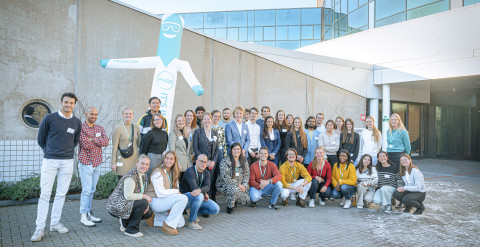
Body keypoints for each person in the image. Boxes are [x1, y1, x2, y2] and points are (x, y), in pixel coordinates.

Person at [31, 93, 82, 242]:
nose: (69, 105)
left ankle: (54, 223)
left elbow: (75, 141)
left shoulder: (77, 122)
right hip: (50, 160)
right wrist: (50, 151)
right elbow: (41, 139)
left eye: (71, 103)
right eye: (66, 102)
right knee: (45, 194)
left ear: (74, 105)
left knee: (61, 194)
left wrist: (67, 152)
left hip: (67, 161)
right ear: (61, 103)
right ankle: (39, 228)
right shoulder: (50, 118)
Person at [106, 154, 153, 238]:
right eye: (142, 163)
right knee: (143, 202)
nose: (144, 166)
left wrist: (145, 203)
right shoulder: (131, 177)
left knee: (148, 213)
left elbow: (139, 193)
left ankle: (125, 222)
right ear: (136, 163)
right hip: (117, 205)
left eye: (147, 164)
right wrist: (144, 197)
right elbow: (128, 196)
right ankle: (131, 230)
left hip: (127, 203)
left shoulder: (143, 175)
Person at [78, 106, 109, 227]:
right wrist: (97, 140)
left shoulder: (99, 128)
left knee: (92, 190)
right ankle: (83, 216)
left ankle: (89, 213)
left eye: (95, 114)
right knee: (86, 191)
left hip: (97, 163)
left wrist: (93, 139)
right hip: (86, 163)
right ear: (86, 114)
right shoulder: (80, 127)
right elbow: (86, 144)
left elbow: (105, 142)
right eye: (91, 114)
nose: (94, 116)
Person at [145, 151, 188, 235]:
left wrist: (172, 206)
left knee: (180, 223)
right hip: (155, 201)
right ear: (163, 159)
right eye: (167, 158)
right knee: (183, 198)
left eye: (171, 159)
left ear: (175, 161)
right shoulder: (157, 172)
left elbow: (176, 189)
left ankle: (154, 220)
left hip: (165, 201)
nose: (168, 161)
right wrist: (175, 193)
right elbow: (160, 193)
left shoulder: (173, 172)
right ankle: (168, 226)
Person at [180, 154, 220, 230]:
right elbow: (194, 189)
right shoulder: (190, 171)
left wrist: (203, 191)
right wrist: (203, 193)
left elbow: (208, 187)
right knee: (199, 196)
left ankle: (192, 212)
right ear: (196, 161)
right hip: (185, 198)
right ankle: (192, 221)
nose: (203, 164)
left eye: (205, 162)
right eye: (201, 161)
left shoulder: (206, 172)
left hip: (198, 197)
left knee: (215, 209)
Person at [216, 143, 251, 214]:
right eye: (234, 149)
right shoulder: (225, 161)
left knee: (246, 199)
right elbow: (226, 178)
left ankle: (234, 199)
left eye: (238, 149)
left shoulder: (244, 161)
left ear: (241, 150)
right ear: (231, 150)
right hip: (224, 184)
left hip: (240, 185)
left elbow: (247, 174)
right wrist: (239, 185)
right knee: (233, 189)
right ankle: (230, 207)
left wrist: (244, 185)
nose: (236, 151)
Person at [192, 113, 220, 201]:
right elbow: (195, 148)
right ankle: (202, 199)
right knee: (202, 181)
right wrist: (203, 161)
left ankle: (211, 199)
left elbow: (217, 149)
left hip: (212, 163)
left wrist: (214, 161)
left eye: (209, 119)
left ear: (211, 120)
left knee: (211, 181)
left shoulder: (215, 133)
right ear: (202, 120)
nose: (207, 121)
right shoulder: (198, 132)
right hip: (201, 162)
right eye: (205, 119)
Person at [111, 108, 141, 180]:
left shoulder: (136, 128)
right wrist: (113, 163)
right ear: (123, 115)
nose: (128, 115)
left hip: (134, 159)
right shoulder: (118, 129)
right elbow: (114, 147)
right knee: (122, 181)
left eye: (130, 114)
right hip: (122, 158)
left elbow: (139, 144)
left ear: (133, 115)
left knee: (133, 181)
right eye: (126, 113)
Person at [141, 113, 168, 178]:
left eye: (159, 119)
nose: (158, 121)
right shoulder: (150, 133)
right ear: (153, 122)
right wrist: (144, 160)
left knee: (158, 177)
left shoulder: (165, 133)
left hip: (162, 158)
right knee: (150, 177)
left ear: (162, 120)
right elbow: (144, 148)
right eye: (155, 120)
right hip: (152, 158)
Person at [168, 114, 193, 182]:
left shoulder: (185, 133)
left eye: (182, 121)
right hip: (179, 165)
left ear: (185, 122)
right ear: (176, 123)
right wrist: (177, 163)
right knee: (177, 184)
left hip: (187, 165)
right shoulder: (173, 134)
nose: (181, 122)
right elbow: (172, 150)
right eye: (179, 121)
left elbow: (188, 151)